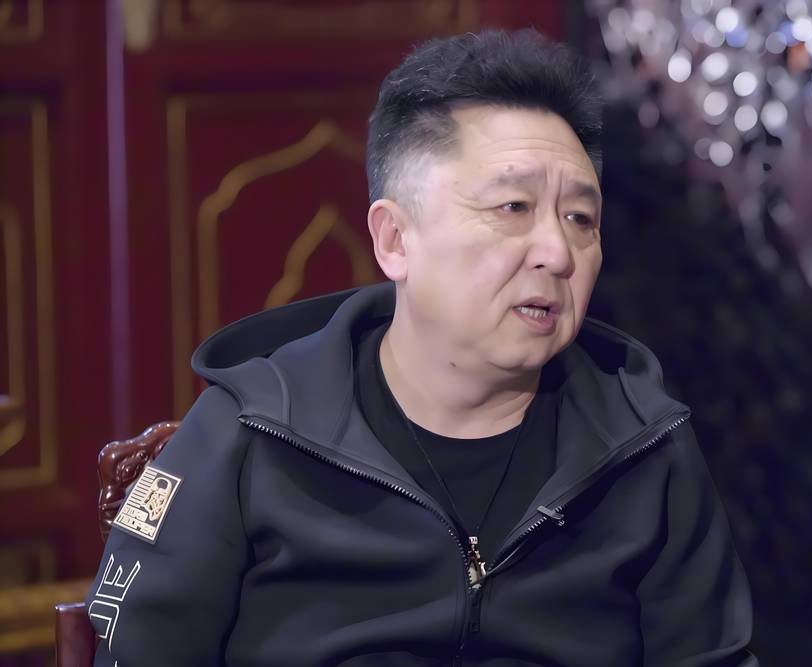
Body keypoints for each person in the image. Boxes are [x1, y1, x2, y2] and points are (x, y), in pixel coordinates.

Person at [87, 29, 755, 666]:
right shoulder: (250, 432)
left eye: (580, 217)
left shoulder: (643, 445)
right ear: (394, 240)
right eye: (513, 207)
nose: (557, 251)